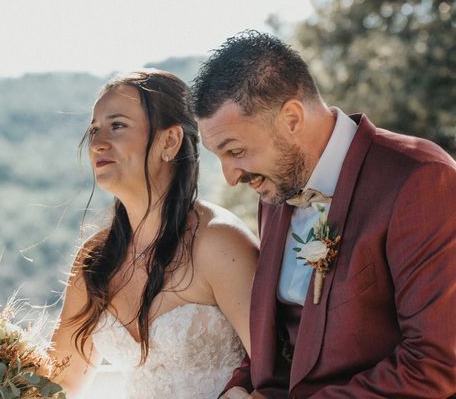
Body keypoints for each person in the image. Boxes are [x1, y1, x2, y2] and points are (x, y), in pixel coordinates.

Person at [190, 30, 456, 398]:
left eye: (235, 151)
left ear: (292, 118)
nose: (231, 177)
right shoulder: (275, 193)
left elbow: (435, 364)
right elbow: (280, 337)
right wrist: (240, 387)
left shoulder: (418, 178)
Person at [49, 70, 258, 398]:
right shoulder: (95, 260)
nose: (98, 143)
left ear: (169, 141)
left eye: (117, 125)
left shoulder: (219, 243)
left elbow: (278, 377)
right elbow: (55, 385)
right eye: (94, 129)